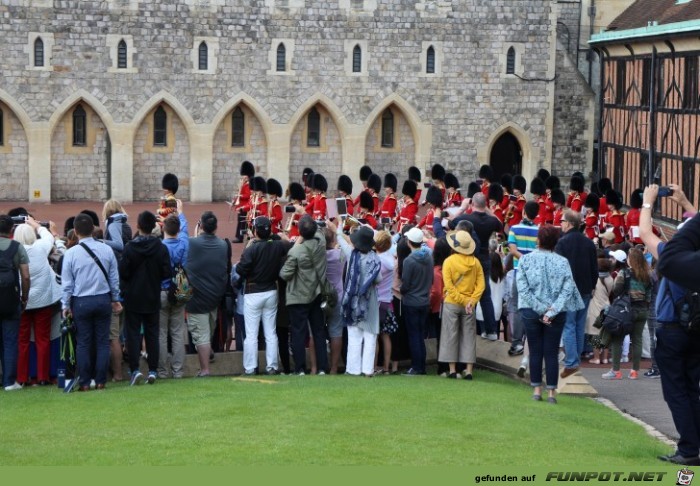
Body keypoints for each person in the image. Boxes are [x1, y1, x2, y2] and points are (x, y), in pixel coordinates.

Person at [643, 184, 700, 465]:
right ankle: (695, 445)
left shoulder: (672, 255)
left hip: (672, 328)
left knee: (676, 390)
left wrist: (647, 202)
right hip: (696, 330)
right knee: (692, 388)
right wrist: (686, 202)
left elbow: (644, 234)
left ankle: (689, 450)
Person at [517, 224, 584, 404]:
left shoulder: (525, 260)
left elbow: (523, 289)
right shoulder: (562, 262)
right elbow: (567, 288)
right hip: (556, 311)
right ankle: (552, 393)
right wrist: (552, 310)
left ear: (538, 240)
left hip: (531, 310)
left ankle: (537, 389)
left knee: (535, 350)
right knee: (551, 352)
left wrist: (540, 308)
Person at [60, 213, 122, 391]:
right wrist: (115, 298)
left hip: (81, 301)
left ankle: (85, 381)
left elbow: (67, 284)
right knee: (102, 341)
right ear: (93, 230)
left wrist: (65, 305)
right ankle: (101, 380)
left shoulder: (71, 254)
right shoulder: (106, 249)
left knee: (84, 342)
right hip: (103, 298)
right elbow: (113, 278)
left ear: (76, 231)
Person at [120, 211, 171, 385]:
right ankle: (153, 370)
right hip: (152, 295)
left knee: (133, 334)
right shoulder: (161, 247)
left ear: (138, 226)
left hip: (133, 296)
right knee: (152, 334)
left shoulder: (129, 248)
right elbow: (166, 272)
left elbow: (123, 272)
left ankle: (135, 369)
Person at [235, 216, 292, 375]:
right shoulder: (277, 246)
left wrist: (248, 246)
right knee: (270, 332)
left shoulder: (252, 249)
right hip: (271, 291)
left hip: (253, 292)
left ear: (255, 231)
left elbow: (241, 269)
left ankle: (250, 367)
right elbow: (288, 245)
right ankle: (272, 366)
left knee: (252, 334)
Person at [13, 218, 62, 386]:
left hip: (22, 301)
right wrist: (36, 225)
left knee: (23, 341)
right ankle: (42, 376)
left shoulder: (14, 250)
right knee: (43, 339)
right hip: (43, 301)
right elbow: (48, 236)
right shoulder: (40, 247)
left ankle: (22, 377)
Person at [279, 215, 328, 375]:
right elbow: (319, 232)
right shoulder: (321, 243)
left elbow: (284, 274)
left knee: (298, 333)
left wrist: (294, 244)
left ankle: (300, 368)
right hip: (317, 293)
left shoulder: (296, 251)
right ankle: (322, 367)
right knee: (318, 331)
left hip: (299, 296)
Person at [185, 211, 229, 377]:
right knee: (206, 332)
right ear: (216, 227)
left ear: (201, 226)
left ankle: (205, 370)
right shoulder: (223, 245)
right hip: (214, 297)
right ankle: (207, 352)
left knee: (201, 336)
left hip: (196, 298)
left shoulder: (192, 243)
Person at [555, 209, 598, 378]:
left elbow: (559, 269)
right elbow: (594, 268)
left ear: (570, 224)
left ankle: (571, 362)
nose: (561, 224)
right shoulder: (588, 243)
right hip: (586, 288)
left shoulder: (562, 243)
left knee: (569, 325)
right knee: (579, 325)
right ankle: (576, 361)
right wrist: (593, 285)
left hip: (569, 290)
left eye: (562, 221)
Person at [335, 224, 381, 376]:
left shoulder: (351, 254)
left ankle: (352, 369)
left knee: (354, 336)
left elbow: (339, 238)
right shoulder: (375, 258)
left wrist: (340, 226)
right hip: (370, 301)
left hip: (352, 300)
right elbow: (378, 279)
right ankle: (367, 370)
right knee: (370, 337)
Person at [457, 193, 503, 340]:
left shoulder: (468, 218)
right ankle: (491, 331)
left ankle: (470, 329)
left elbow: (451, 223)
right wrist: (488, 210)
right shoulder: (490, 220)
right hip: (484, 258)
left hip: (470, 258)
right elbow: (500, 224)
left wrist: (463, 208)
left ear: (472, 204)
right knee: (485, 295)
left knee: (469, 293)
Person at [440, 230, 485, 379]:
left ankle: (452, 370)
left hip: (452, 303)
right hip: (469, 306)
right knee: (469, 336)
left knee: (450, 335)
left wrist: (465, 301)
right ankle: (469, 370)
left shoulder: (448, 261)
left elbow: (449, 286)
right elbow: (481, 286)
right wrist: (471, 301)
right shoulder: (476, 263)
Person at [602, 247, 652, 380]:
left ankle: (616, 371)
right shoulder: (647, 275)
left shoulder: (624, 273)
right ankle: (634, 371)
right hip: (642, 310)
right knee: (637, 340)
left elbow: (616, 289)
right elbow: (649, 296)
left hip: (625, 310)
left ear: (631, 260)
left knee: (617, 339)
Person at [158, 204, 189, 379]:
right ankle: (178, 371)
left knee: (161, 333)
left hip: (162, 290)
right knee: (177, 332)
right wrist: (181, 212)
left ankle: (162, 371)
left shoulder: (160, 247)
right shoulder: (184, 242)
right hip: (179, 289)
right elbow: (184, 229)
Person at [0, 215, 30, 391]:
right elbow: (25, 276)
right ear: (12, 230)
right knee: (10, 342)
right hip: (11, 300)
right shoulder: (17, 247)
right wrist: (24, 298)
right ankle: (9, 382)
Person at [506, 201, 540, 356]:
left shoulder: (515, 229)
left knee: (517, 306)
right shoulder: (539, 231)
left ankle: (517, 342)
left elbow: (512, 250)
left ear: (524, 212)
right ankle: (530, 340)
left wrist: (524, 260)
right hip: (534, 272)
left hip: (520, 271)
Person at [400, 227, 434, 375]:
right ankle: (421, 366)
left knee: (414, 335)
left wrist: (402, 290)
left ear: (409, 242)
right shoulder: (428, 257)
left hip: (412, 302)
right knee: (420, 335)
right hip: (424, 301)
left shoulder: (409, 261)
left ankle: (417, 366)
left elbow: (406, 284)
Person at [323, 226, 345, 375]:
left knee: (316, 332)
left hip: (321, 296)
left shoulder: (319, 256)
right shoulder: (340, 255)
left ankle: (318, 366)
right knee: (336, 332)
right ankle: (334, 367)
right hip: (338, 295)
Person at [585, 254, 613, 365]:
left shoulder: (594, 279)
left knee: (595, 334)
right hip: (607, 307)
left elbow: (591, 292)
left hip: (595, 308)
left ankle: (596, 358)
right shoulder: (610, 279)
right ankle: (605, 358)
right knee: (606, 333)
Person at [373, 230, 395, 374]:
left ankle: (373, 366)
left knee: (374, 336)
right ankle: (386, 367)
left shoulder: (378, 260)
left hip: (377, 301)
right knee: (386, 336)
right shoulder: (391, 259)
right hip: (388, 301)